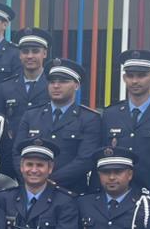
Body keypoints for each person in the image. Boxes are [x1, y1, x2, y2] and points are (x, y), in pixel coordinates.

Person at [102, 49, 150, 201]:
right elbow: (102, 158)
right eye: (130, 75)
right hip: (116, 197)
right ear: (124, 78)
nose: (135, 81)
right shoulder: (110, 114)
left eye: (141, 75)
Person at [14, 58, 100, 191]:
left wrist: (47, 181)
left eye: (63, 82)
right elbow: (17, 153)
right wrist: (32, 179)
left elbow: (85, 160)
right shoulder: (31, 115)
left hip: (71, 191)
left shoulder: (89, 118)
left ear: (76, 85)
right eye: (52, 81)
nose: (56, 86)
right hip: (31, 189)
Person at [0, 28, 51, 151]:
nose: (30, 56)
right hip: (11, 150)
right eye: (25, 52)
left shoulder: (52, 85)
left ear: (45, 54)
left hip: (43, 150)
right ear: (20, 55)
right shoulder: (5, 87)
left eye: (35, 51)